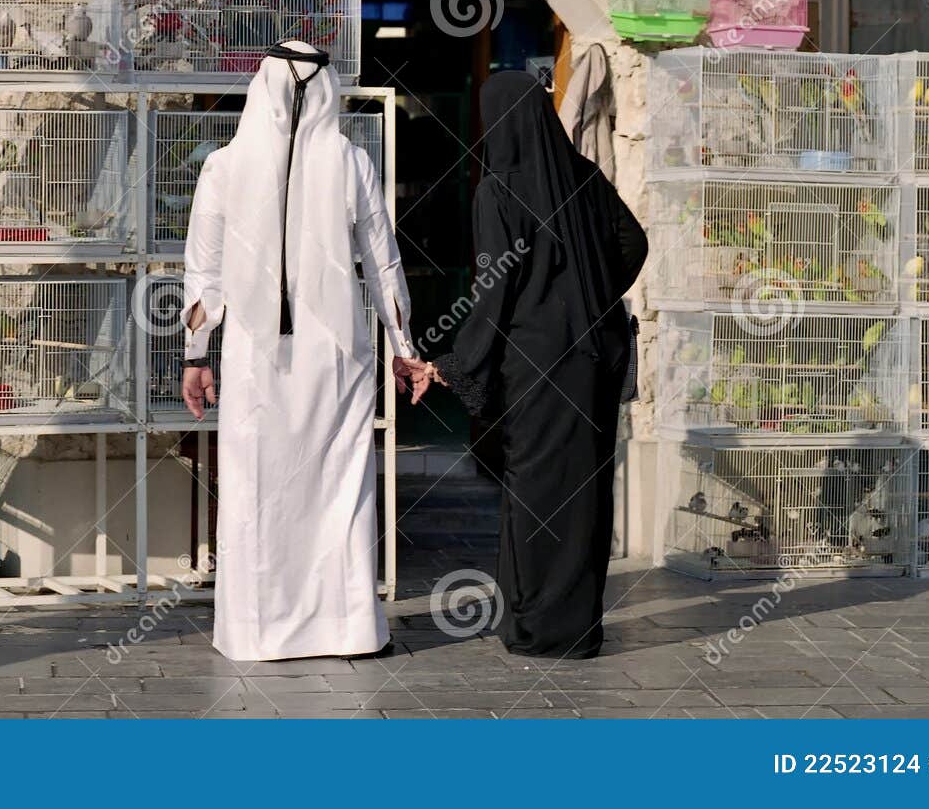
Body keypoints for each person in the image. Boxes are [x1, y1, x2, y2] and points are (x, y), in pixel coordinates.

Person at [180, 39, 417, 661]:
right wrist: (405, 347)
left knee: (257, 489)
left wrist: (195, 356)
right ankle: (348, 631)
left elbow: (202, 275)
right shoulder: (353, 163)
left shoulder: (223, 166)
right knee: (338, 488)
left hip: (257, 358)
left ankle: (258, 633)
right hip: (336, 355)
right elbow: (384, 265)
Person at [403, 71, 647, 659]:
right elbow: (633, 243)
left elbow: (494, 290)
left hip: (537, 366)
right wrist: (587, 300)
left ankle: (540, 628)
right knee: (586, 490)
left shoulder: (500, 190)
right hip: (594, 357)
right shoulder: (584, 177)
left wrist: (454, 362)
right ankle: (578, 626)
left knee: (538, 494)